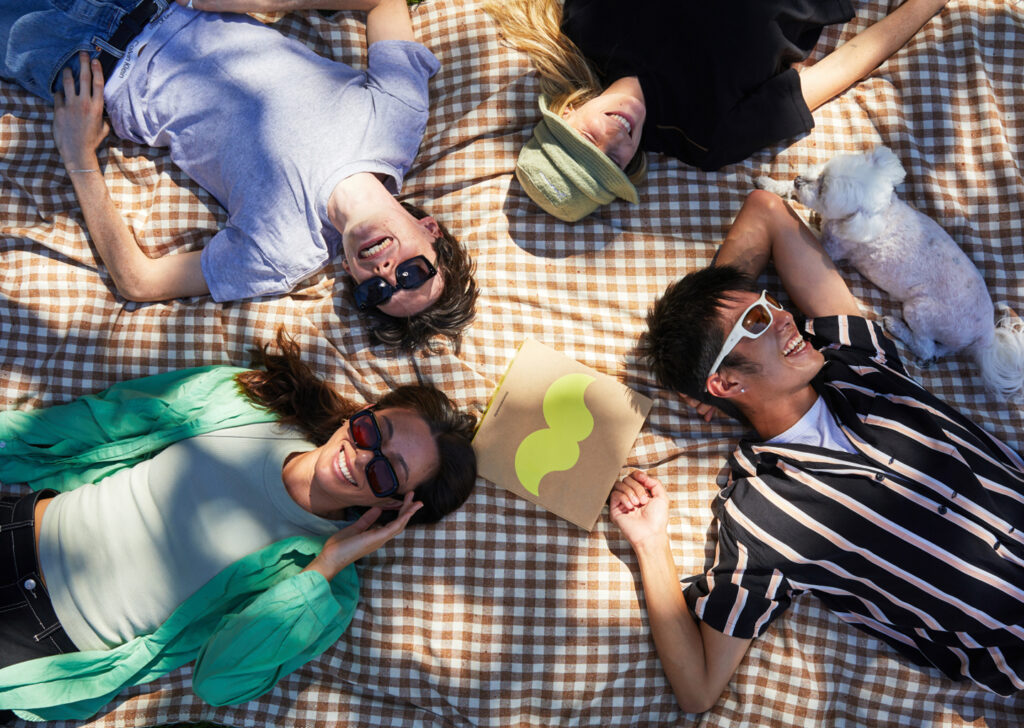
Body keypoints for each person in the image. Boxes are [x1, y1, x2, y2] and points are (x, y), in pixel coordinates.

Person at [610, 189, 1024, 712]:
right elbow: (698, 689)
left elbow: (767, 212)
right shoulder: (760, 517)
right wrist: (650, 543)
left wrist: (702, 349)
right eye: (756, 323)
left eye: (770, 304)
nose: (783, 317)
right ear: (728, 384)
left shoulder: (855, 363)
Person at [0, 333, 478, 721]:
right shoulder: (248, 403)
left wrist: (324, 568)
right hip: (19, 526)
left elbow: (221, 680)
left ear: (398, 502)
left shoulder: (325, 589)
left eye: (387, 471)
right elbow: (106, 419)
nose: (362, 455)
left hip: (44, 636)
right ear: (361, 414)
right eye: (373, 432)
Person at [0, 0, 477, 350]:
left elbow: (140, 282)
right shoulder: (398, 122)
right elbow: (383, 3)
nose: (387, 273)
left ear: (354, 278)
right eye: (413, 273)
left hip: (80, 60)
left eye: (377, 290)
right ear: (429, 229)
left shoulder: (282, 254)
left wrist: (78, 156)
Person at [483, 0, 949, 221]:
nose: (616, 141)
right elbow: (839, 69)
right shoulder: (707, 138)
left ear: (567, 111)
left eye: (589, 142)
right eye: (615, 162)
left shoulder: (585, 24)